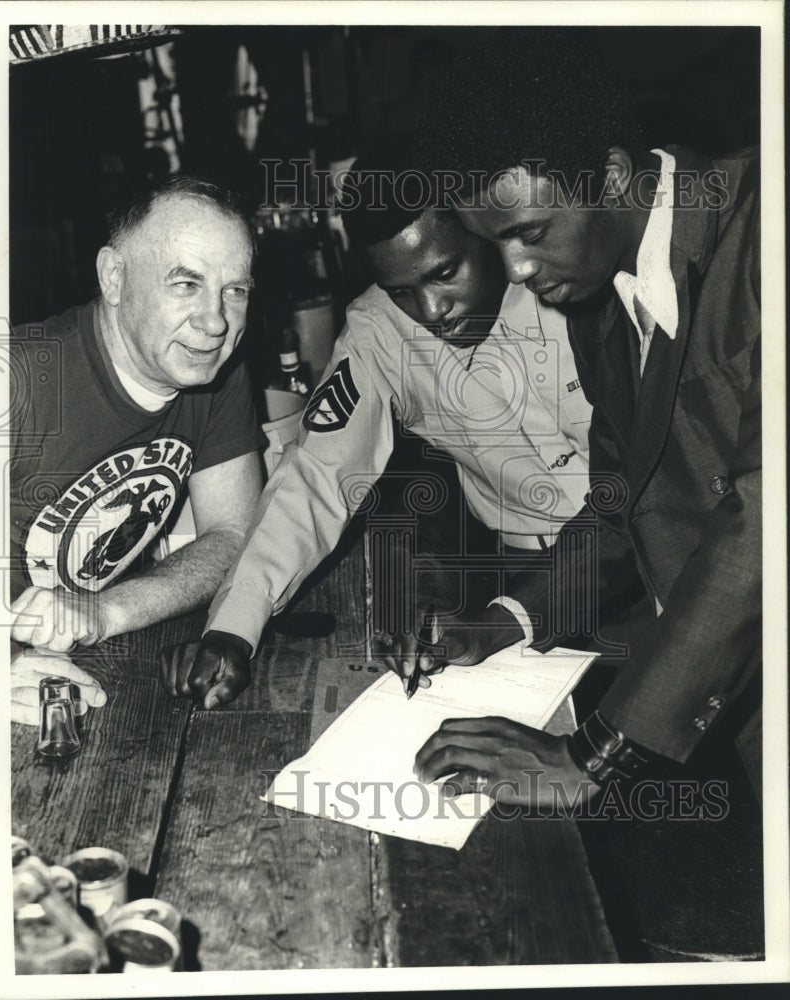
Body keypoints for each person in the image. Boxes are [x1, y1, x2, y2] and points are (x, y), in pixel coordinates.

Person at [404, 29, 760, 808]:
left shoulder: (766, 228)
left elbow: (767, 518)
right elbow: (620, 508)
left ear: (610, 172)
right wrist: (504, 622)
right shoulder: (601, 295)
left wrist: (592, 758)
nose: (521, 274)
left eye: (531, 234)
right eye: (497, 248)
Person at [159, 142, 595, 708]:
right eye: (400, 292)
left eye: (444, 273)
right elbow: (317, 476)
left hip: (634, 551)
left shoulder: (566, 280)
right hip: (517, 575)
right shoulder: (376, 331)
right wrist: (232, 628)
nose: (431, 311)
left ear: (482, 229)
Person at [10, 175, 266, 723]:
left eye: (235, 290)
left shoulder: (213, 372)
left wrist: (104, 611)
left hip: (104, 662)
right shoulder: (18, 379)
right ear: (114, 277)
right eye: (186, 283)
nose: (216, 321)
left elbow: (233, 532)